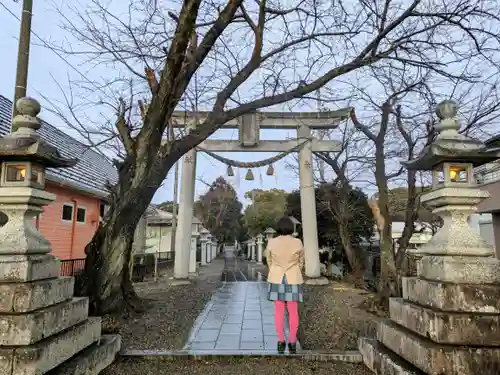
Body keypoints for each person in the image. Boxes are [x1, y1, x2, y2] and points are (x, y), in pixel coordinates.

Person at [265, 216, 305, 354]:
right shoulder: (298, 242)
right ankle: (292, 342)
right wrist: (295, 270)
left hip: (277, 278)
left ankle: (281, 341)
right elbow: (301, 261)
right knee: (293, 311)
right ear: (290, 228)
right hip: (293, 277)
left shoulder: (271, 242)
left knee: (279, 312)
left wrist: (275, 270)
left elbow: (269, 260)